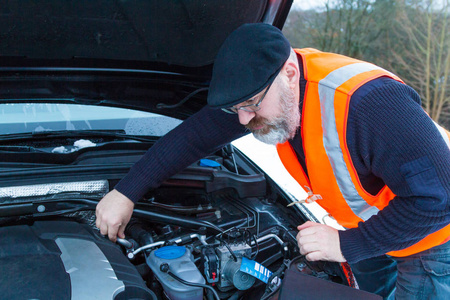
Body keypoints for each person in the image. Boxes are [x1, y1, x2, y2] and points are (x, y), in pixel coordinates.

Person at [95, 23, 450, 299]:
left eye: (250, 105)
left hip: (431, 240)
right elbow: (192, 137)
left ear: (290, 75)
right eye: (236, 109)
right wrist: (126, 191)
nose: (243, 120)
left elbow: (439, 200)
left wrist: (345, 245)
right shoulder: (264, 90)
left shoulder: (371, 104)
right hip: (369, 225)